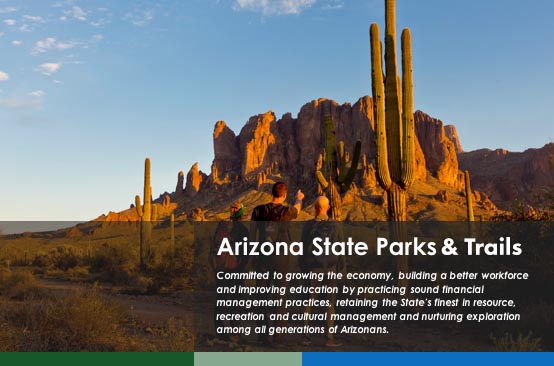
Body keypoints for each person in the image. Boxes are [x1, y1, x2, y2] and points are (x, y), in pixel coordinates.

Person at [250, 181, 304, 346]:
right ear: (284, 195)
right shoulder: (286, 212)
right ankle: (279, 338)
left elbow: (252, 235)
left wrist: (253, 257)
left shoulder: (258, 210)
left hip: (263, 258)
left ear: (271, 193)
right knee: (280, 298)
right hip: (281, 259)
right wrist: (299, 198)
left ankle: (262, 336)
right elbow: (298, 208)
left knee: (262, 296)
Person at [300, 195, 343, 348]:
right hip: (331, 268)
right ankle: (329, 337)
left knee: (308, 300)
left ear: (315, 208)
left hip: (313, 267)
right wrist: (341, 269)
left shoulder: (308, 225)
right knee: (330, 302)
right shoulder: (336, 225)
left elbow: (302, 248)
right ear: (328, 207)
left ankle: (305, 336)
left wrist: (303, 267)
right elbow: (341, 248)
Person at [212, 201, 249, 342]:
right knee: (235, 301)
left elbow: (213, 249)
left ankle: (220, 331)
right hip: (235, 269)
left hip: (220, 268)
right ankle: (234, 332)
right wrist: (243, 267)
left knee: (221, 299)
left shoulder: (220, 228)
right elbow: (246, 253)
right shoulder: (242, 230)